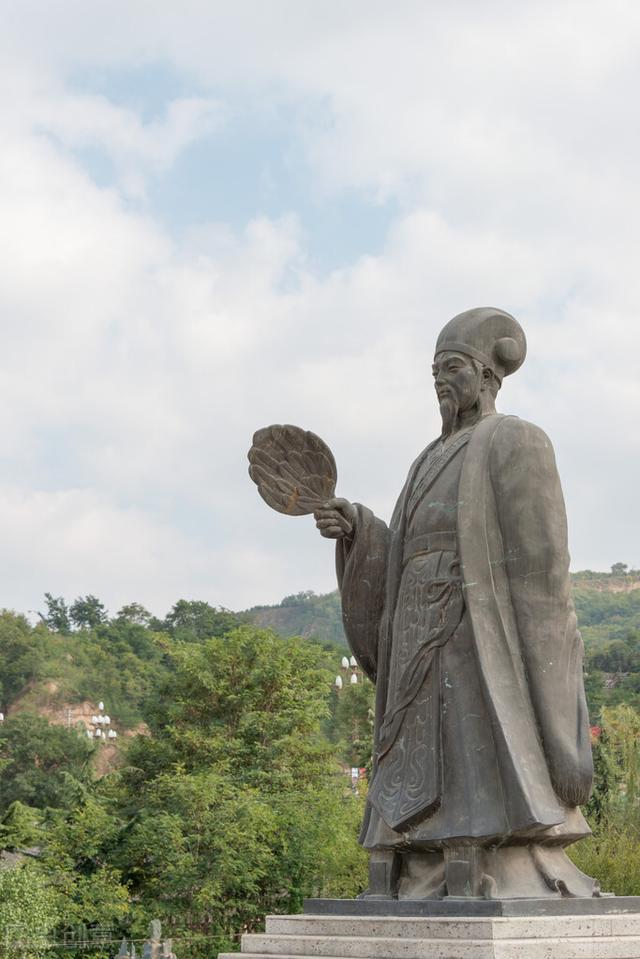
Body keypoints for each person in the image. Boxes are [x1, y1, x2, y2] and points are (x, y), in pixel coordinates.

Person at [314, 307, 598, 900]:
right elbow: (407, 550)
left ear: (488, 374)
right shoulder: (426, 458)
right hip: (415, 627)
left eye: (453, 368)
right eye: (434, 371)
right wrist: (359, 529)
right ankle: (409, 856)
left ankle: (481, 851)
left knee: (467, 744)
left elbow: (541, 564)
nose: (441, 381)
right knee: (411, 741)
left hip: (473, 629)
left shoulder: (514, 439)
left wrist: (542, 652)